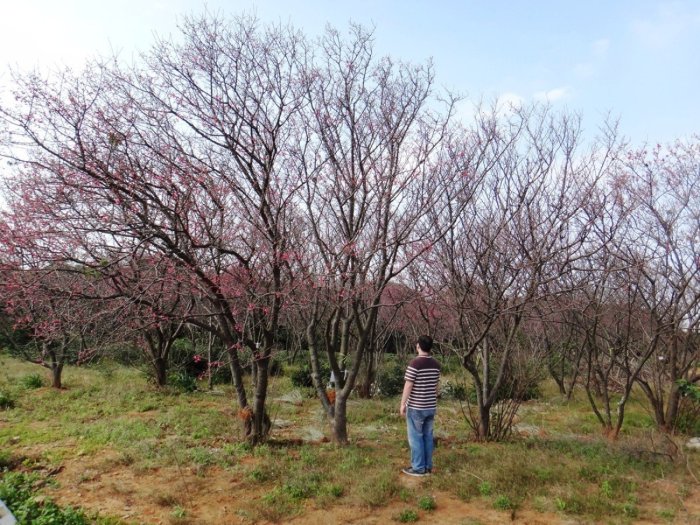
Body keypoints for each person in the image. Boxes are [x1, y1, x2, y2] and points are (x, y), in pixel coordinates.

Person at [399, 335, 441, 477]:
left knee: (416, 437)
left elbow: (408, 385)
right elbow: (436, 386)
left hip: (417, 407)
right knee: (428, 436)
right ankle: (428, 467)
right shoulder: (436, 364)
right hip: (431, 407)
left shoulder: (415, 364)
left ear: (418, 346)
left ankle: (418, 468)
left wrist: (403, 403)